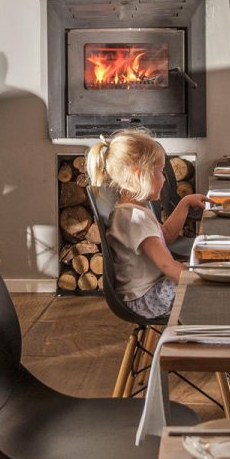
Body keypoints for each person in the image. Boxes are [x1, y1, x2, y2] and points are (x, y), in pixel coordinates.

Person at [86, 130, 207, 320]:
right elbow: (166, 265)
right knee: (211, 291)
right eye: (160, 171)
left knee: (201, 273)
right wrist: (202, 281)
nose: (164, 178)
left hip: (147, 293)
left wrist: (185, 203)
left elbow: (166, 236)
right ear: (139, 175)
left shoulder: (131, 210)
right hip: (147, 298)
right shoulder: (135, 218)